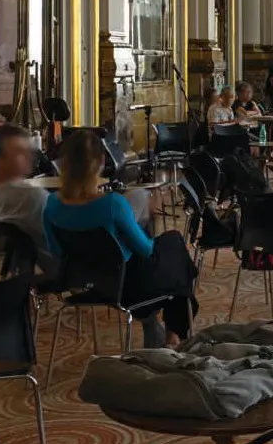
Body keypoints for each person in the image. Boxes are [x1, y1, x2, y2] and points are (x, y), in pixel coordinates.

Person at [43, 131, 193, 345]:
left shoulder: (51, 205)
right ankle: (173, 333)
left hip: (87, 284)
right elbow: (146, 250)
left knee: (173, 262)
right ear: (101, 162)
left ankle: (161, 329)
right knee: (174, 246)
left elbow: (56, 251)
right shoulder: (113, 204)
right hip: (126, 286)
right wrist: (146, 221)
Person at [0, 123, 56, 271]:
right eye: (20, 152)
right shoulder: (30, 195)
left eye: (28, 151)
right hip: (66, 263)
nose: (29, 157)